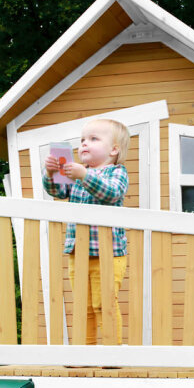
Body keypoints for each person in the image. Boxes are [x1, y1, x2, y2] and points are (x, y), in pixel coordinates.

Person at [43, 118, 130, 344]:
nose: (84, 144)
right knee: (83, 305)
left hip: (109, 253)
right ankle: (84, 352)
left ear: (113, 149)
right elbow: (59, 191)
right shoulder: (76, 173)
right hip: (77, 251)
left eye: (93, 139)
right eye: (82, 140)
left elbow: (112, 193)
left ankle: (112, 350)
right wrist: (50, 174)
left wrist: (83, 175)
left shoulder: (116, 171)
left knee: (104, 303)